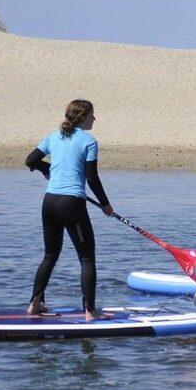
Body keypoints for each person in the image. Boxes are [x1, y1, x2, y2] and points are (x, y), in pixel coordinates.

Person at [24, 99, 114, 320]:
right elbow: (92, 177)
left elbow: (30, 160)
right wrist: (105, 204)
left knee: (50, 255)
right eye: (92, 114)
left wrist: (49, 169)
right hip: (71, 204)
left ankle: (35, 304)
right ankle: (90, 312)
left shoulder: (54, 137)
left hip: (50, 202)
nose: (95, 118)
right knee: (86, 259)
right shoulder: (89, 142)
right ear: (83, 117)